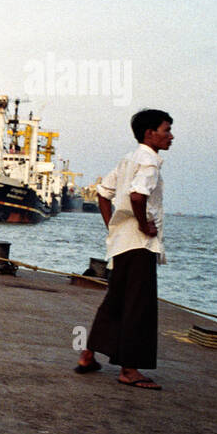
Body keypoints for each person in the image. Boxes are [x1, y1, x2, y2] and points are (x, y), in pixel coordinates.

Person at [75, 109, 174, 389]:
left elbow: (102, 194)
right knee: (138, 306)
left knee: (116, 301)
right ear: (149, 133)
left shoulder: (128, 159)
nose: (171, 136)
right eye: (166, 130)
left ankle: (88, 355)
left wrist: (113, 227)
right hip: (139, 245)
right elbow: (137, 197)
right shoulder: (151, 162)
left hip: (120, 244)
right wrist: (143, 226)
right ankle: (129, 370)